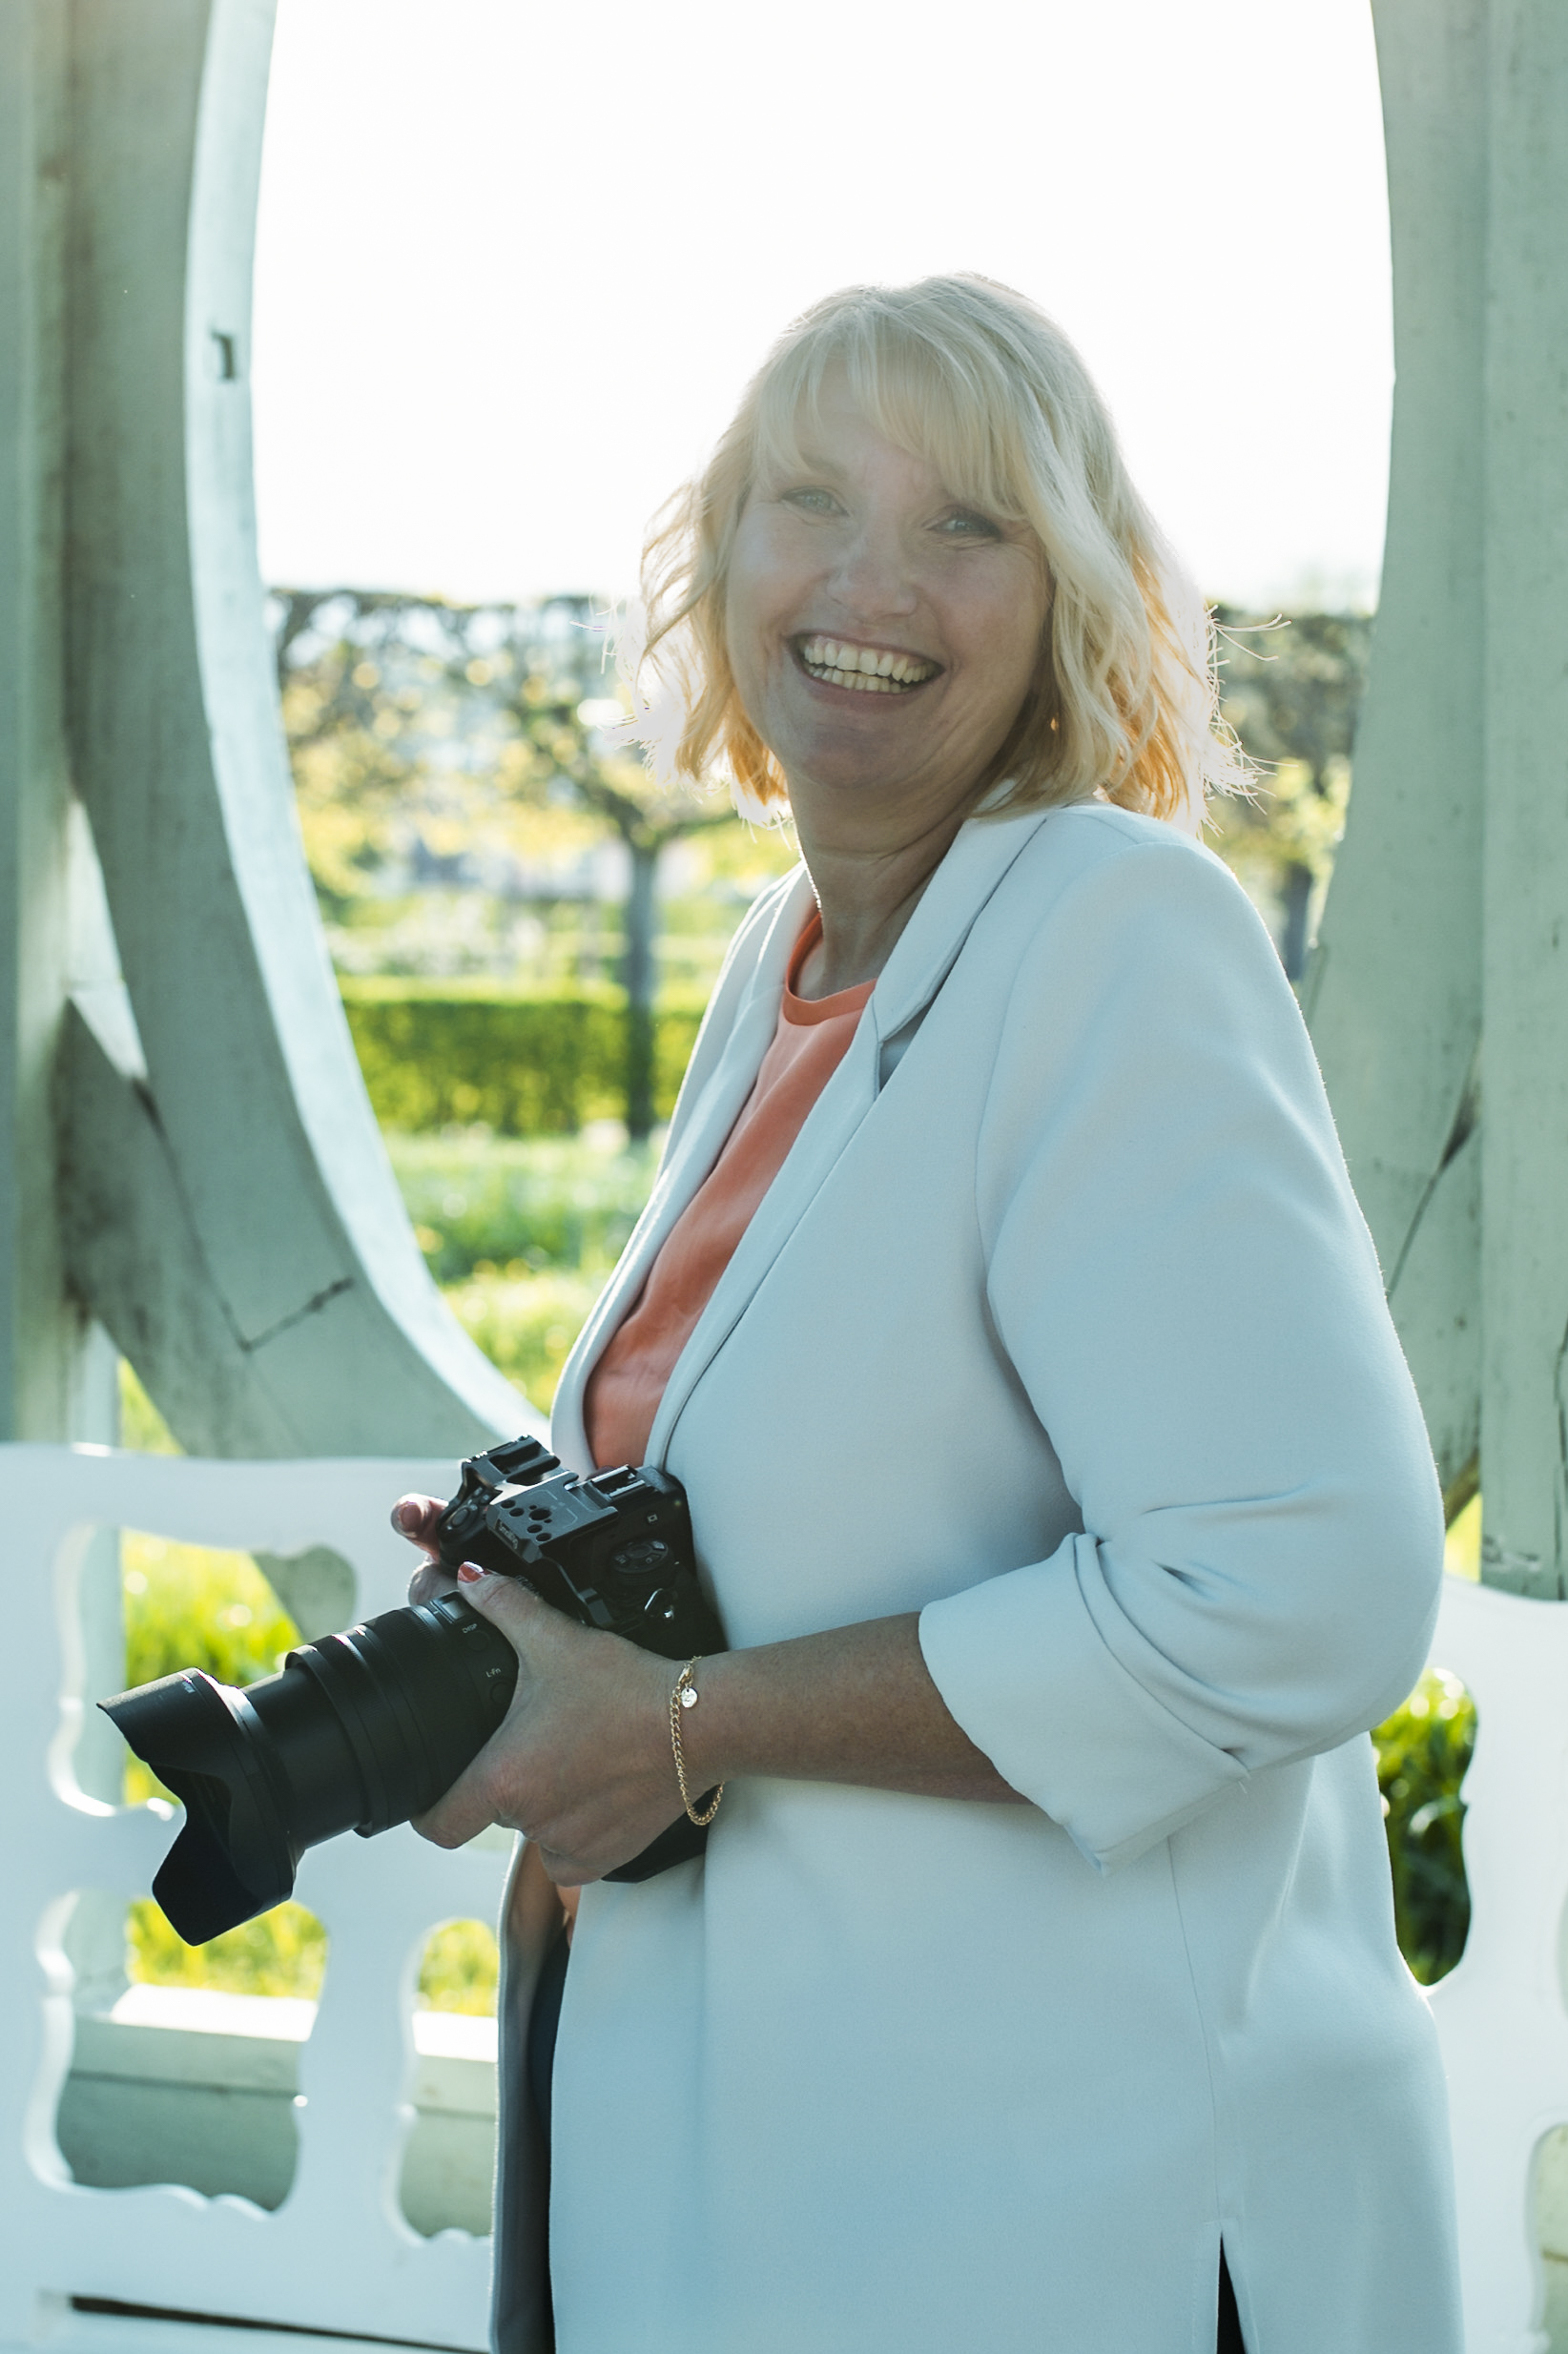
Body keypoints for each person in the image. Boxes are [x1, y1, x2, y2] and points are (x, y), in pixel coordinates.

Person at [396, 276, 1461, 2354]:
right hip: (773, 2194)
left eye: (967, 522)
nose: (871, 581)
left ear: (1068, 599)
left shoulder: (1117, 929)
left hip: (1075, 2218)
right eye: (810, 497)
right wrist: (537, 1646)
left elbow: (1304, 1588)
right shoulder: (785, 957)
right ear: (722, 555)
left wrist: (686, 1724)